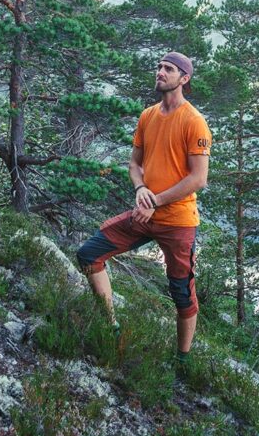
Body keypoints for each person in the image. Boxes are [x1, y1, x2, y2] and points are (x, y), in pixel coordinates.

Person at [75, 52, 211, 367]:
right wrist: (140, 190)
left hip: (177, 222)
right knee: (89, 255)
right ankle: (111, 326)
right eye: (160, 67)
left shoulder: (194, 121)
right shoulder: (148, 116)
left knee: (180, 291)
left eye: (169, 69)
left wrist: (155, 201)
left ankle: (182, 360)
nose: (160, 72)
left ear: (184, 78)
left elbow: (198, 178)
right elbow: (134, 164)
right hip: (142, 215)